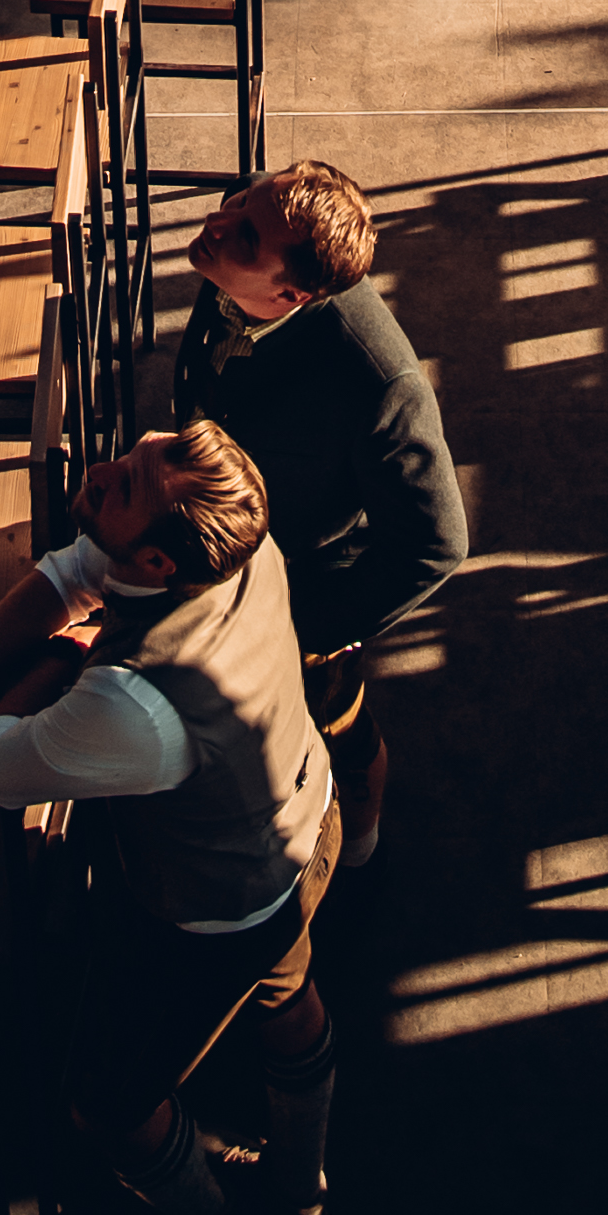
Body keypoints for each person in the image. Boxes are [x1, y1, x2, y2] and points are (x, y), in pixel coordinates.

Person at [0, 423, 342, 1215]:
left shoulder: (134, 708)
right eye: (140, 455)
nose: (101, 470)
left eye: (122, 487)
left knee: (108, 1104)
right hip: (306, 818)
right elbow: (77, 570)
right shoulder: (240, 544)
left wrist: (64, 660)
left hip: (212, 911)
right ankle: (302, 1193)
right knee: (287, 995)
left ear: (154, 568)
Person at [172, 158, 464, 870]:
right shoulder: (239, 240)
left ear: (292, 294)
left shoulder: (375, 382)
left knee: (328, 718)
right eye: (242, 202)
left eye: (243, 238)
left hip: (298, 574)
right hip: (216, 538)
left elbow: (436, 543)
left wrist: (305, 625)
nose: (220, 223)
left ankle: (355, 846)